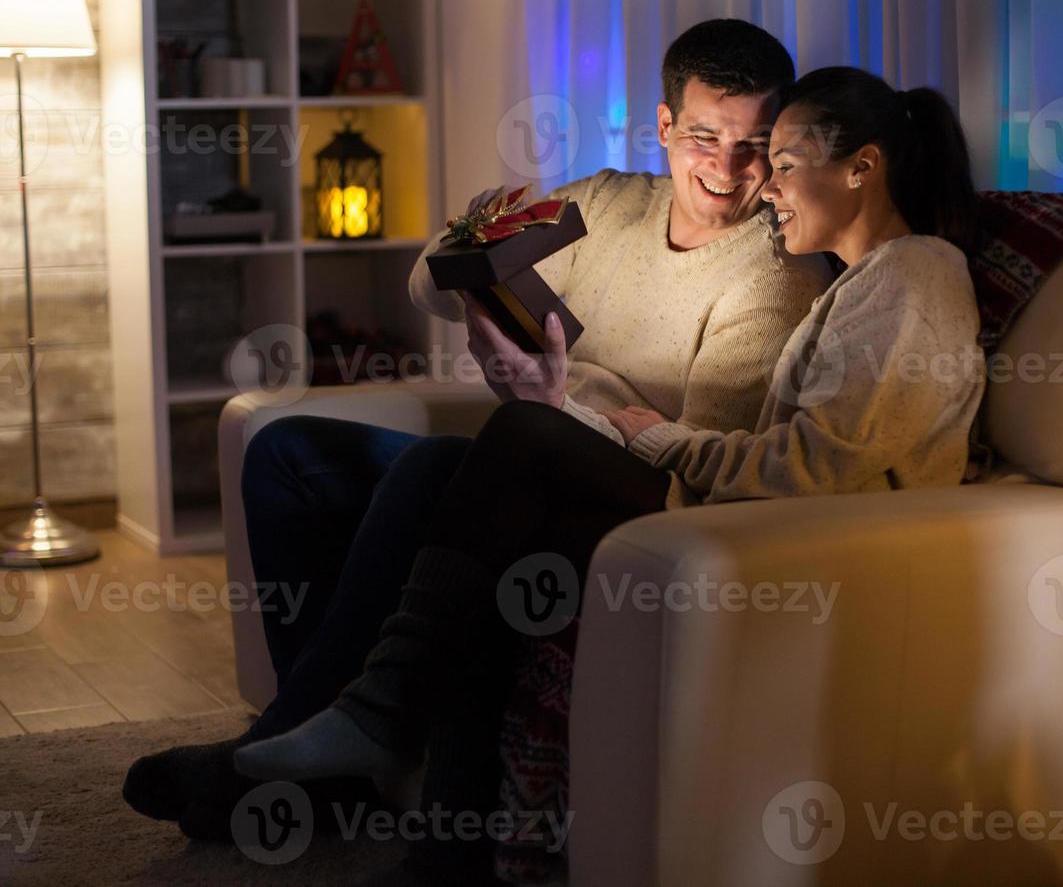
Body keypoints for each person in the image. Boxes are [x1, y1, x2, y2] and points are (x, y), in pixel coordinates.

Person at [233, 66, 987, 886]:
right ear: (665, 126)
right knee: (471, 496)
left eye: (778, 161)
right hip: (745, 518)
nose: (759, 183)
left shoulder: (913, 273)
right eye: (727, 146)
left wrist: (654, 436)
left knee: (518, 437)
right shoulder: (857, 282)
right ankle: (444, 845)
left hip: (803, 546)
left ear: (862, 168)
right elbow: (804, 455)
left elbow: (811, 465)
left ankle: (380, 708)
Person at [122, 19, 831, 836]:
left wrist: (549, 404)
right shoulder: (607, 200)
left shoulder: (774, 272)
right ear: (664, 125)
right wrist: (469, 244)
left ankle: (279, 747)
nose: (728, 167)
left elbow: (693, 472)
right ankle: (323, 751)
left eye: (752, 145)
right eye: (705, 135)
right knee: (289, 449)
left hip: (633, 501)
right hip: (521, 452)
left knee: (432, 472)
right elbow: (428, 284)